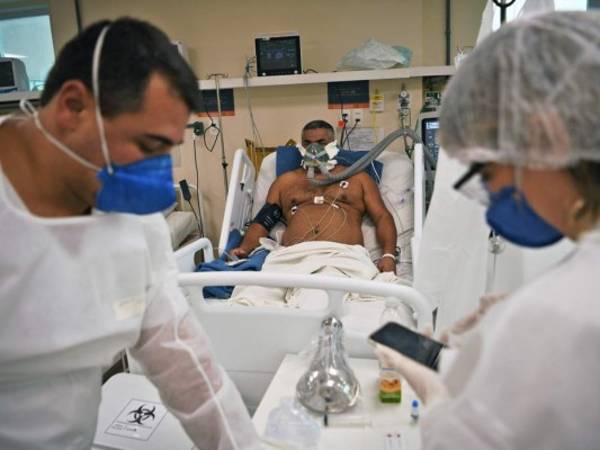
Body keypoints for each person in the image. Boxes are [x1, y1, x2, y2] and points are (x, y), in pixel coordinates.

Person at [0, 18, 260, 450]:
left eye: (168, 150)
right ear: (73, 107)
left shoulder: (131, 223)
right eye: (147, 146)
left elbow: (185, 362)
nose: (157, 177)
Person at [375, 11, 600, 449]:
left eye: (488, 167)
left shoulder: (561, 310)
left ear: (545, 140)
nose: (488, 192)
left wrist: (439, 399)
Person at [230, 120, 398, 274]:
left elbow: (382, 216)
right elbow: (263, 221)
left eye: (321, 143)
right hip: (291, 259)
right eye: (307, 143)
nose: (313, 149)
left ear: (333, 145)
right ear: (300, 146)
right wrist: (245, 248)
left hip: (342, 258)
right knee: (252, 297)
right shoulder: (286, 182)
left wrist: (389, 255)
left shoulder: (358, 178)